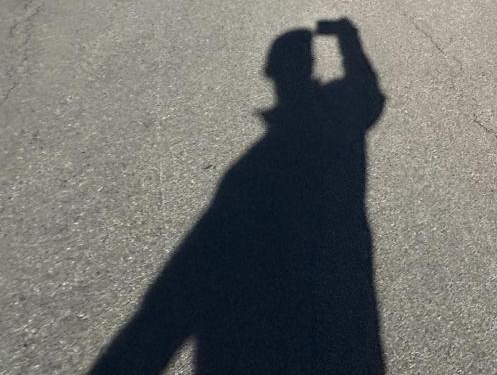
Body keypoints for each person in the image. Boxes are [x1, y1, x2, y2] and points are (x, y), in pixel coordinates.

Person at [91, 19, 386, 374]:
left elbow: (178, 286)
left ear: (270, 73)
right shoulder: (343, 116)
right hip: (338, 308)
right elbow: (367, 87)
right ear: (310, 67)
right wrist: (347, 36)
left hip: (252, 339)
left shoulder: (253, 168)